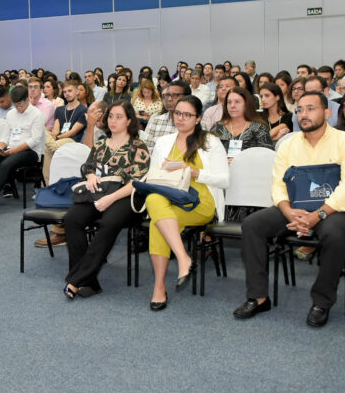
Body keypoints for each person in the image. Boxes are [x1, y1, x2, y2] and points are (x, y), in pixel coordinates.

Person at [232, 92, 345, 327]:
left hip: (332, 211)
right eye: (300, 109)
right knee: (252, 225)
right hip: (294, 209)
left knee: (335, 235)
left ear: (327, 113)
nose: (303, 114)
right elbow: (278, 184)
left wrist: (318, 214)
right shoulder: (288, 145)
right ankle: (258, 297)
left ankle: (321, 302)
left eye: (311, 108)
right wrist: (287, 211)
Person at [146, 96, 229, 310]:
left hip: (201, 201)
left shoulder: (210, 142)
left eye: (187, 115)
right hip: (169, 199)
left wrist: (194, 173)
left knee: (157, 221)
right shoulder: (163, 142)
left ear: (198, 118)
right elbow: (153, 177)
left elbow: (224, 179)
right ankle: (183, 259)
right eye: (177, 113)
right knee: (153, 199)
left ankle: (160, 287)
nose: (180, 118)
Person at [62, 101, 151, 299]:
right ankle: (89, 282)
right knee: (72, 219)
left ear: (129, 120)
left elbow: (137, 182)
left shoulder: (138, 146)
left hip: (127, 196)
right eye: (110, 116)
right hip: (99, 192)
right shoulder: (101, 144)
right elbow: (88, 166)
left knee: (108, 222)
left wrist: (110, 199)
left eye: (119, 117)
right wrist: (91, 176)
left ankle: (76, 280)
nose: (113, 121)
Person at [0, 85, 44, 208]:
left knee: (6, 164)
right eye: (15, 105)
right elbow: (5, 135)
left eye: (20, 105)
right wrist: (1, 147)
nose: (18, 108)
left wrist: (13, 151)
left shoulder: (37, 115)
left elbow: (35, 140)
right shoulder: (11, 114)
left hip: (30, 152)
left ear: (28, 99)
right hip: (10, 149)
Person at [42, 80, 88, 184]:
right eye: (65, 92)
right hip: (57, 140)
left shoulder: (83, 110)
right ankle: (48, 183)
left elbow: (73, 131)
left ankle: (47, 184)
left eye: (70, 91)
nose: (67, 94)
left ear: (77, 92)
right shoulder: (59, 109)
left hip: (72, 140)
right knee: (48, 147)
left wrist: (56, 138)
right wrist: (54, 136)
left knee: (49, 144)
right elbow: (56, 128)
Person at [211, 87, 272, 159]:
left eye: (237, 102)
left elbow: (268, 157)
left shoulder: (259, 128)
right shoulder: (217, 127)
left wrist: (240, 162)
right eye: (229, 102)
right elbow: (207, 154)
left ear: (246, 104)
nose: (232, 106)